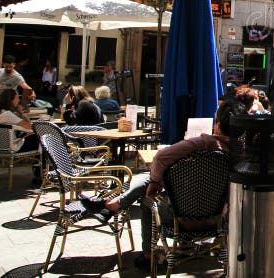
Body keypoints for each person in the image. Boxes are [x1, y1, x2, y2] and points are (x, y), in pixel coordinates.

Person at [79, 101, 236, 269]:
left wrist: (155, 181)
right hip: (218, 219)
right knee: (152, 182)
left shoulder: (202, 143)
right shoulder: (241, 151)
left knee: (148, 198)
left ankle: (148, 254)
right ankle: (113, 204)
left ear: (217, 126)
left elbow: (161, 157)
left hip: (179, 220)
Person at [0, 88, 40, 153]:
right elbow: (29, 126)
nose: (19, 101)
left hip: (1, 146)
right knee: (37, 136)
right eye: (17, 98)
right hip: (13, 148)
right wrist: (21, 112)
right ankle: (41, 161)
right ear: (11, 100)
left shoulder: (1, 113)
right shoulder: (8, 115)